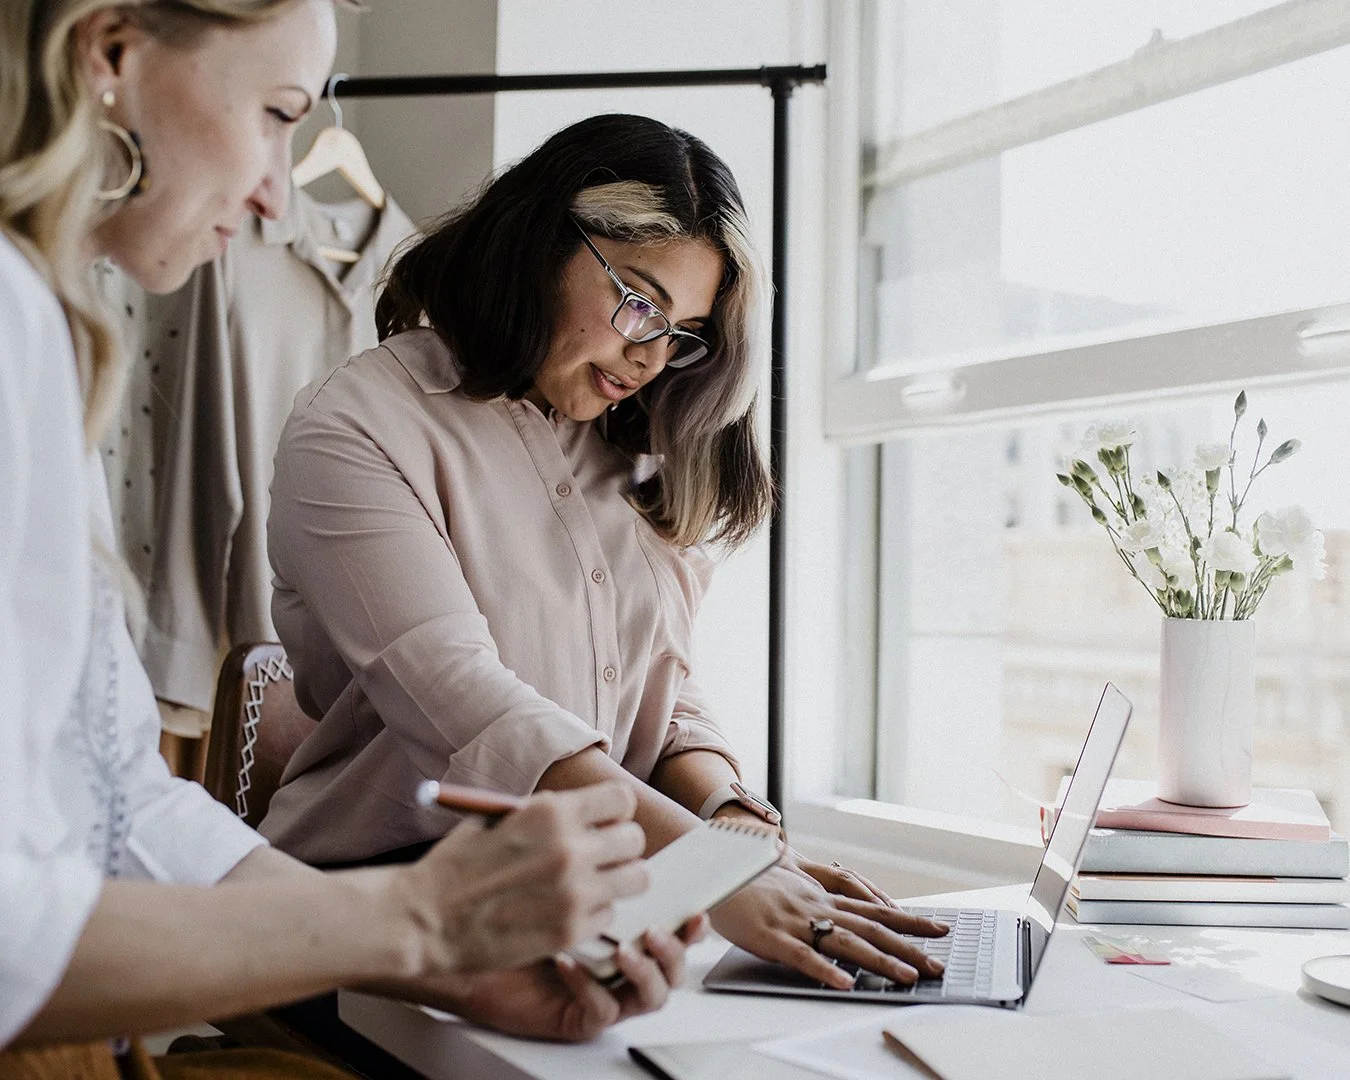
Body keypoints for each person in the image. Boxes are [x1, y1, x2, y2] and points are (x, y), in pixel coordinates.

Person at [0, 2, 697, 1072]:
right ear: (110, 53)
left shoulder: (42, 323)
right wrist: (417, 921)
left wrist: (445, 961)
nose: (282, 188)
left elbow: (121, 805)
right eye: (278, 113)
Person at [260, 112, 952, 990]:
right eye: (638, 299)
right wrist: (711, 868)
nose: (650, 354)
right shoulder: (356, 429)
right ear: (542, 239)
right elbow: (469, 706)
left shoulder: (627, 446)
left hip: (588, 899)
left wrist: (733, 820)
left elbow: (660, 687)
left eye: (681, 330)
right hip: (372, 918)